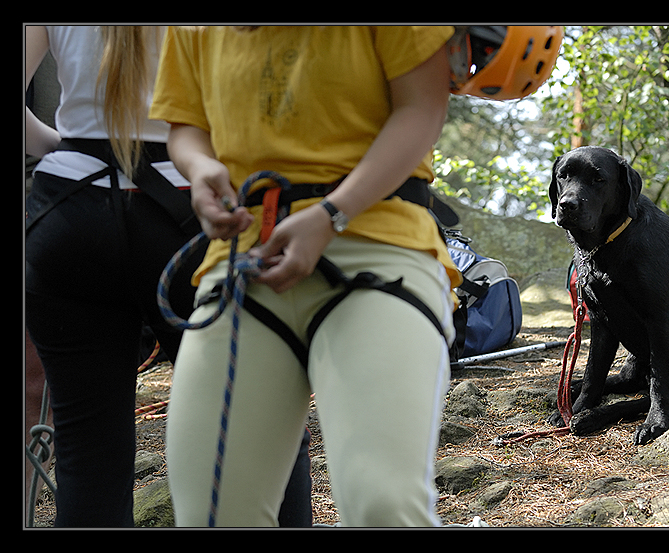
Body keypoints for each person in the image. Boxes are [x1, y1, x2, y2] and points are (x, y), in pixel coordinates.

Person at [149, 25, 460, 527]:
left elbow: (422, 108)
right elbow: (185, 126)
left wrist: (332, 215)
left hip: (378, 249)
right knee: (214, 515)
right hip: (245, 263)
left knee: (382, 506)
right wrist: (201, 166)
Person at [25, 25, 311, 527]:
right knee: (264, 432)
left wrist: (60, 150)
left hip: (70, 212)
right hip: (196, 213)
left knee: (87, 448)